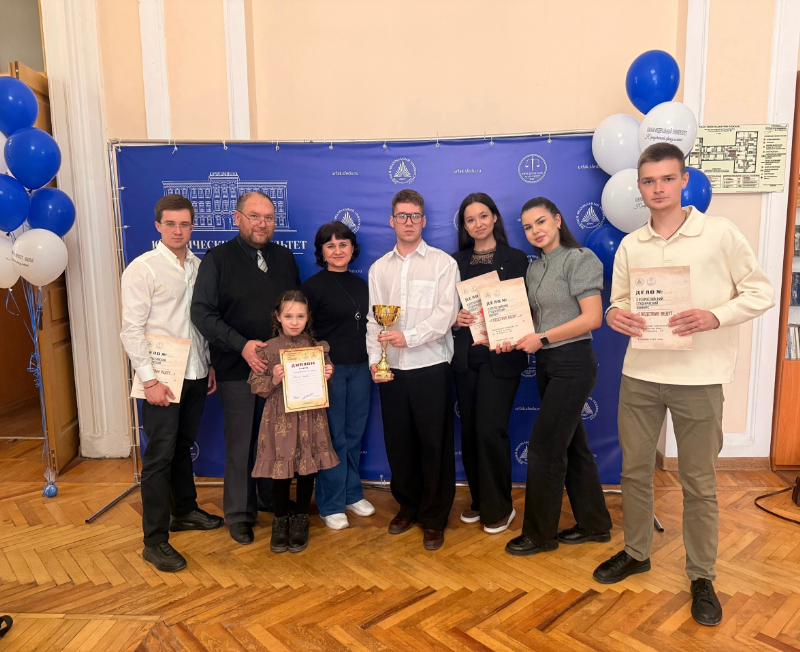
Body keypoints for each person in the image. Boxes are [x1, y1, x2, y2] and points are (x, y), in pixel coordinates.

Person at [593, 143, 774, 627]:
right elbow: (619, 301)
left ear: (684, 180)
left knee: (698, 482)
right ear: (639, 186)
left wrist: (715, 315)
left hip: (700, 378)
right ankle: (637, 552)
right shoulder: (632, 244)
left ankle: (702, 576)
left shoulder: (720, 233)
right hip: (641, 375)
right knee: (634, 472)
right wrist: (614, 315)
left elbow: (761, 292)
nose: (658, 189)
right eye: (649, 181)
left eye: (667, 179)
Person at [120, 194, 224, 572]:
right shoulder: (143, 268)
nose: (177, 231)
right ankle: (154, 541)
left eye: (184, 224)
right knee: (159, 457)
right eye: (170, 224)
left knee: (182, 446)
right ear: (158, 226)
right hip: (161, 378)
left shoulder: (199, 266)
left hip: (196, 371)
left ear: (192, 227)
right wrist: (149, 381)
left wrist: (209, 364)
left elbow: (200, 321)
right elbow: (131, 330)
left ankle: (185, 511)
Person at [504, 197, 612, 558]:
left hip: (574, 362)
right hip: (548, 363)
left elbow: (592, 318)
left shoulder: (579, 258)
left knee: (545, 448)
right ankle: (595, 524)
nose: (535, 230)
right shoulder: (534, 269)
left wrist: (544, 338)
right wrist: (501, 334)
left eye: (540, 222)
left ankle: (540, 535)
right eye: (528, 226)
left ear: (558, 220)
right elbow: (535, 322)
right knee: (572, 446)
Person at [191, 191, 300, 545]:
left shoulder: (285, 258)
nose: (262, 223)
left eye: (268, 217)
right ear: (237, 218)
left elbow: (295, 313)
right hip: (237, 369)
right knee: (241, 443)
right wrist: (242, 345)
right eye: (254, 216)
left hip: (279, 371)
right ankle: (239, 514)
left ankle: (269, 499)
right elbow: (202, 313)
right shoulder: (218, 259)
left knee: (275, 439)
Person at [366, 188, 460, 551]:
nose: (409, 222)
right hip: (392, 370)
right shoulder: (379, 268)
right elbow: (374, 321)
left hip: (430, 367)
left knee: (434, 445)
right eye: (402, 216)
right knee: (399, 444)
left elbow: (446, 315)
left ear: (424, 220)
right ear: (392, 221)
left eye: (415, 216)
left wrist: (409, 337)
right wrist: (374, 360)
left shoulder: (442, 264)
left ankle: (434, 517)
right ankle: (408, 507)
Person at [451, 193, 528, 534]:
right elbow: (446, 310)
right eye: (470, 219)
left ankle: (500, 507)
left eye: (483, 216)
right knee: (470, 432)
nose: (478, 223)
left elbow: (525, 309)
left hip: (503, 357)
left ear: (495, 217)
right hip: (467, 360)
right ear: (464, 226)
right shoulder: (456, 262)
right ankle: (480, 500)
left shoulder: (516, 259)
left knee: (490, 430)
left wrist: (511, 331)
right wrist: (456, 319)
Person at [248, 290, 339, 553]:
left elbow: (325, 387)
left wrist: (327, 374)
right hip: (280, 420)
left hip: (310, 417)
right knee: (281, 472)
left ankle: (300, 518)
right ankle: (280, 520)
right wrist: (274, 379)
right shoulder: (267, 348)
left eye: (300, 316)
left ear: (308, 317)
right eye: (289, 316)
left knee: (307, 469)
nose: (295, 321)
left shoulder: (317, 347)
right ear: (278, 317)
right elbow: (256, 386)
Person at [301, 222, 374, 530]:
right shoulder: (312, 287)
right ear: (321, 252)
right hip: (329, 371)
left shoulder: (362, 284)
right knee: (332, 437)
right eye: (330, 246)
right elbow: (303, 332)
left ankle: (351, 493)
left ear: (352, 248)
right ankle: (330, 503)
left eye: (343, 244)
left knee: (354, 435)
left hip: (361, 368)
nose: (338, 250)